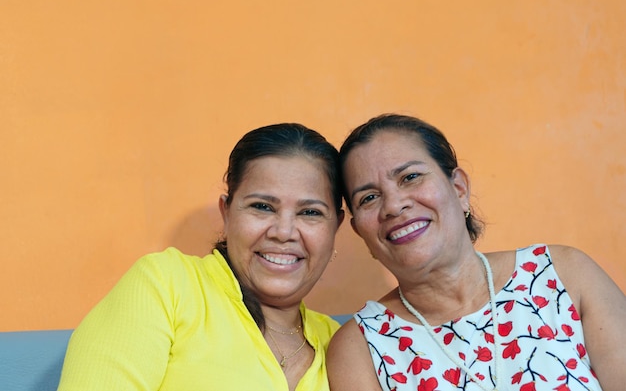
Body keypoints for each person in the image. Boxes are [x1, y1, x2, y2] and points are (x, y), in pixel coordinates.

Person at [327, 113, 626, 391]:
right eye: (369, 197)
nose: (393, 206)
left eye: (410, 177)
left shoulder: (562, 274)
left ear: (459, 188)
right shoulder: (361, 347)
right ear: (360, 232)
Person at [57, 123, 345, 391]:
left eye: (310, 213)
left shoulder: (342, 344)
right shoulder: (167, 285)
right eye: (262, 206)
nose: (284, 232)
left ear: (336, 228)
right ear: (227, 214)